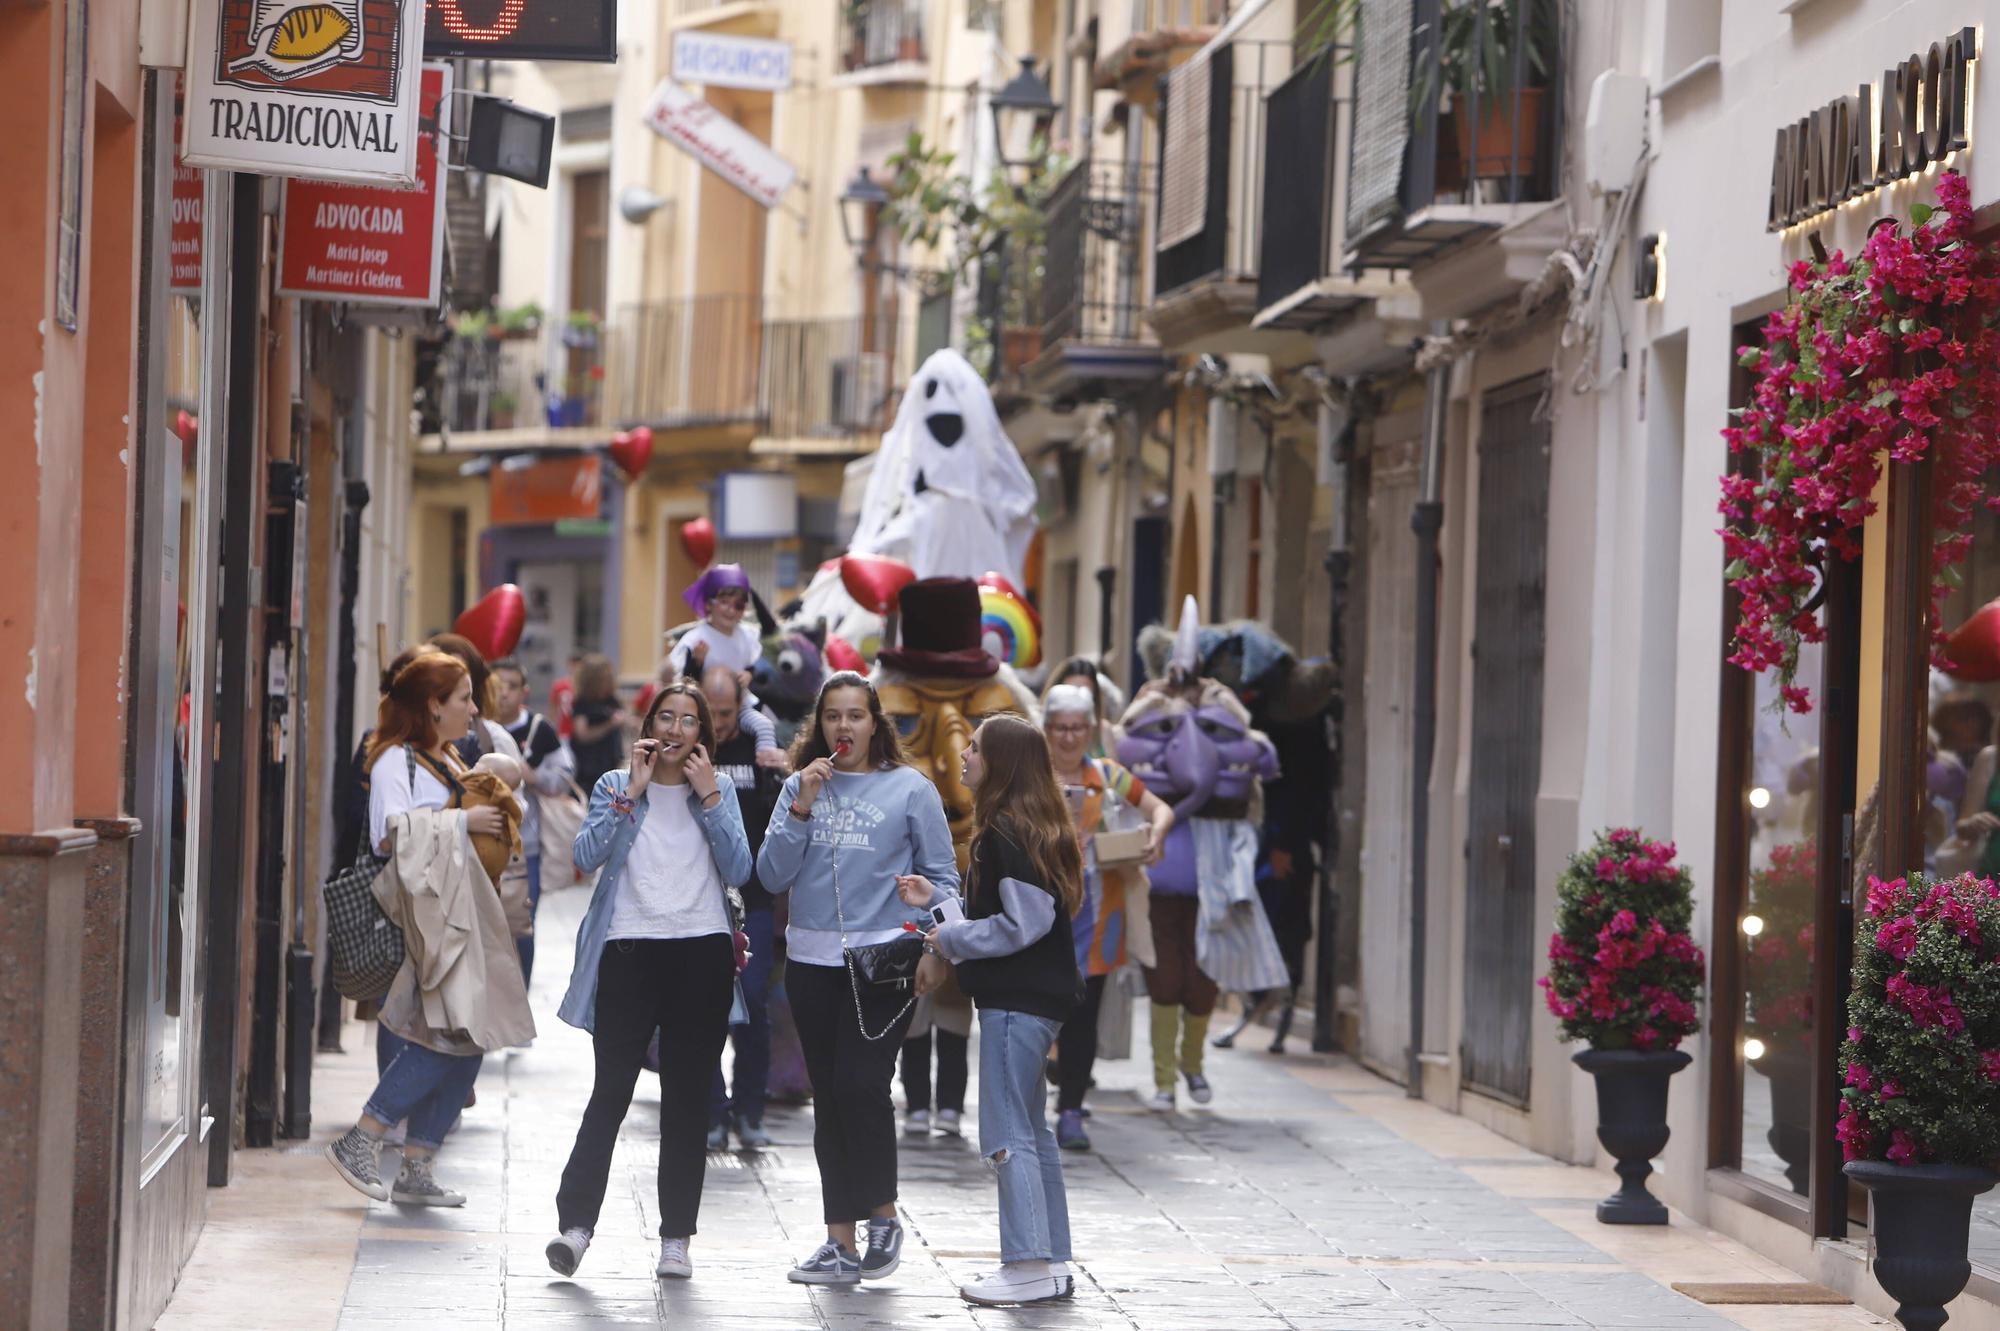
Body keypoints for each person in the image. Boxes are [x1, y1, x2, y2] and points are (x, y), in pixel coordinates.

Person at [756, 672, 959, 1287]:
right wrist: (800, 806)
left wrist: (936, 946)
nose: (844, 727)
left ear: (876, 724)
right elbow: (770, 876)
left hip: (887, 962)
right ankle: (838, 1242)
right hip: (812, 964)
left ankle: (884, 1215)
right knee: (828, 1099)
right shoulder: (800, 786)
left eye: (856, 715)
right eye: (833, 716)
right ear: (819, 726)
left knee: (860, 1086)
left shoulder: (910, 790)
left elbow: (945, 880)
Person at [546, 680, 754, 1282]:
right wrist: (629, 794)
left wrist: (711, 797)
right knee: (609, 1092)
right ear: (648, 725)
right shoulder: (616, 786)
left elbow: (741, 869)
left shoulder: (712, 792)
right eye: (666, 717)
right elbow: (584, 857)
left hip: (701, 955)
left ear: (702, 737)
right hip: (629, 953)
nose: (675, 729)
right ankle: (575, 1228)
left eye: (689, 721)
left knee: (688, 1102)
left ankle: (676, 1239)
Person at [325, 651, 530, 1207]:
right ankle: (365, 1135)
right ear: (433, 706)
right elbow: (389, 837)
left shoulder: (448, 756)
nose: (473, 707)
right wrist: (463, 821)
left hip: (458, 916)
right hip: (426, 919)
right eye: (463, 698)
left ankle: (418, 1161)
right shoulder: (396, 761)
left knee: (471, 1036)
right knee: (450, 1035)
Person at [902, 714, 1083, 1307]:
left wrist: (952, 939)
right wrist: (943, 906)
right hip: (1034, 1000)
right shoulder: (1029, 829)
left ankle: (1028, 1264)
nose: (963, 755)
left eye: (975, 748)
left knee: (1008, 1134)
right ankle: (1049, 1259)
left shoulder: (1005, 831)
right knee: (1032, 1130)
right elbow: (1015, 917)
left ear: (1000, 763)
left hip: (1016, 1003)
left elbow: (1021, 925)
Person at [1042, 684, 1174, 1150]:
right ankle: (1029, 1109)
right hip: (1037, 919)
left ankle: (1072, 1111)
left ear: (1092, 729)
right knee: (1038, 1016)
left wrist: (1153, 836)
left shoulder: (1108, 775)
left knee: (1083, 1018)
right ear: (1047, 728)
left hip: (1096, 920)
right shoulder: (1033, 778)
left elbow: (1161, 810)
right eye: (1060, 728)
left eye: (1078, 728)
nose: (1069, 738)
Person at [700, 665, 784, 1151]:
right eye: (711, 713)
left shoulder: (757, 748)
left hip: (753, 897)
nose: (720, 722)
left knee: (753, 1003)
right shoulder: (693, 750)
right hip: (701, 897)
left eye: (728, 712)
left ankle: (750, 1111)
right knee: (707, 1010)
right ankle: (714, 1111)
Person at [491, 657, 573, 981]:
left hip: (527, 845)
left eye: (511, 687)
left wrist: (533, 776)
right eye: (498, 686)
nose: (504, 694)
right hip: (483, 840)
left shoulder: (538, 730)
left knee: (523, 921)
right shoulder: (475, 727)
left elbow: (564, 775)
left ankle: (519, 993)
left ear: (524, 691)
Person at [668, 564, 789, 768]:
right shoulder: (695, 639)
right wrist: (696, 664)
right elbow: (683, 682)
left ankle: (766, 770)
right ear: (709, 604)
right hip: (702, 710)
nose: (731, 610)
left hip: (740, 707)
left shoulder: (748, 636)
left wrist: (749, 675)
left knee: (764, 726)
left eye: (738, 605)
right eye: (724, 602)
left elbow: (755, 664)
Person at [568, 653, 631, 794]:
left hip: (612, 762)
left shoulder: (612, 700)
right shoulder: (583, 703)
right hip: (589, 768)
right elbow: (582, 734)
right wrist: (610, 724)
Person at [1045, 655, 1124, 760]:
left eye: (1085, 694)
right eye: (1069, 692)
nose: (1078, 700)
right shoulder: (1041, 731)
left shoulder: (1104, 731)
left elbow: (1114, 774)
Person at [552, 651, 584, 740]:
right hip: (564, 732)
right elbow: (553, 710)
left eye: (578, 665)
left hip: (581, 732)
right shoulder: (559, 685)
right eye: (573, 665)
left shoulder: (586, 686)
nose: (576, 668)